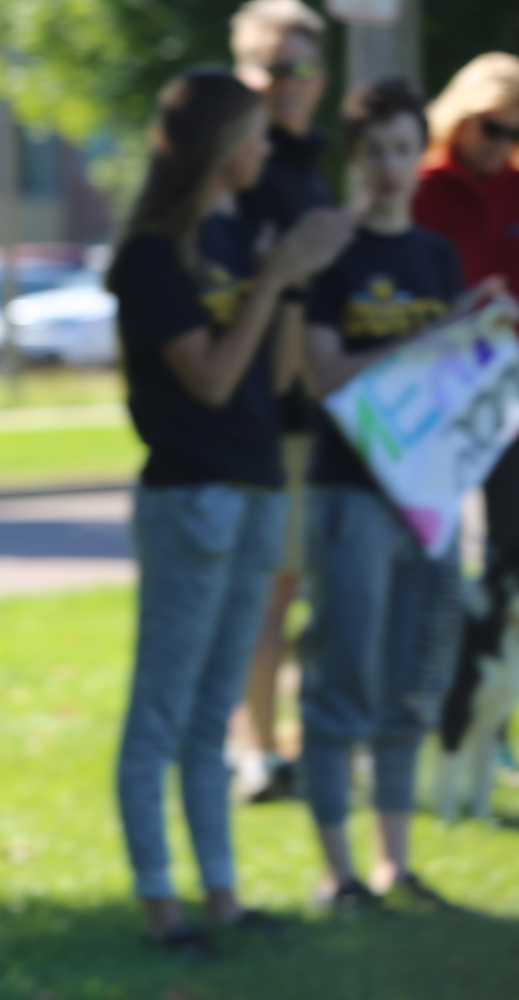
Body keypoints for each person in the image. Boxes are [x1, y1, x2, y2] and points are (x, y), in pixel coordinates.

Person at [107, 69, 353, 954]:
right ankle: (159, 903)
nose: (265, 149)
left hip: (255, 487)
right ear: (215, 145)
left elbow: (279, 375)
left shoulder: (241, 235)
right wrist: (273, 275)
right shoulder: (151, 253)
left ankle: (220, 894)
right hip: (191, 495)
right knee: (163, 712)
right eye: (252, 134)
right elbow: (209, 377)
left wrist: (293, 280)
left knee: (214, 713)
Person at [300, 78, 480, 912]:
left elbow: (445, 388)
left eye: (404, 149)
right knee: (345, 683)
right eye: (374, 151)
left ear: (419, 155)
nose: (389, 166)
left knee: (412, 685)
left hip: (428, 503)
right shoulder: (333, 255)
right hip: (350, 499)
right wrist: (423, 344)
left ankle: (393, 867)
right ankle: (339, 875)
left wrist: (472, 336)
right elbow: (324, 375)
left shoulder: (436, 258)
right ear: (357, 159)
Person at [228, 0, 336, 804]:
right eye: (272, 66)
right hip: (248, 416)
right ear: (243, 72)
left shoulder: (308, 164)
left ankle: (276, 739)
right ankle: (255, 753)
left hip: (310, 415)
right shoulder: (237, 169)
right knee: (265, 592)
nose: (288, 83)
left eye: (301, 67)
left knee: (291, 588)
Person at [413, 53, 519, 772]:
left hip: (505, 400)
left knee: (508, 560)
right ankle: (421, 712)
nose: (501, 143)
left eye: (514, 133)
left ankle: (490, 722)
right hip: (434, 400)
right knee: (430, 559)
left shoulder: (514, 186)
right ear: (462, 118)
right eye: (492, 128)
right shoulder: (426, 189)